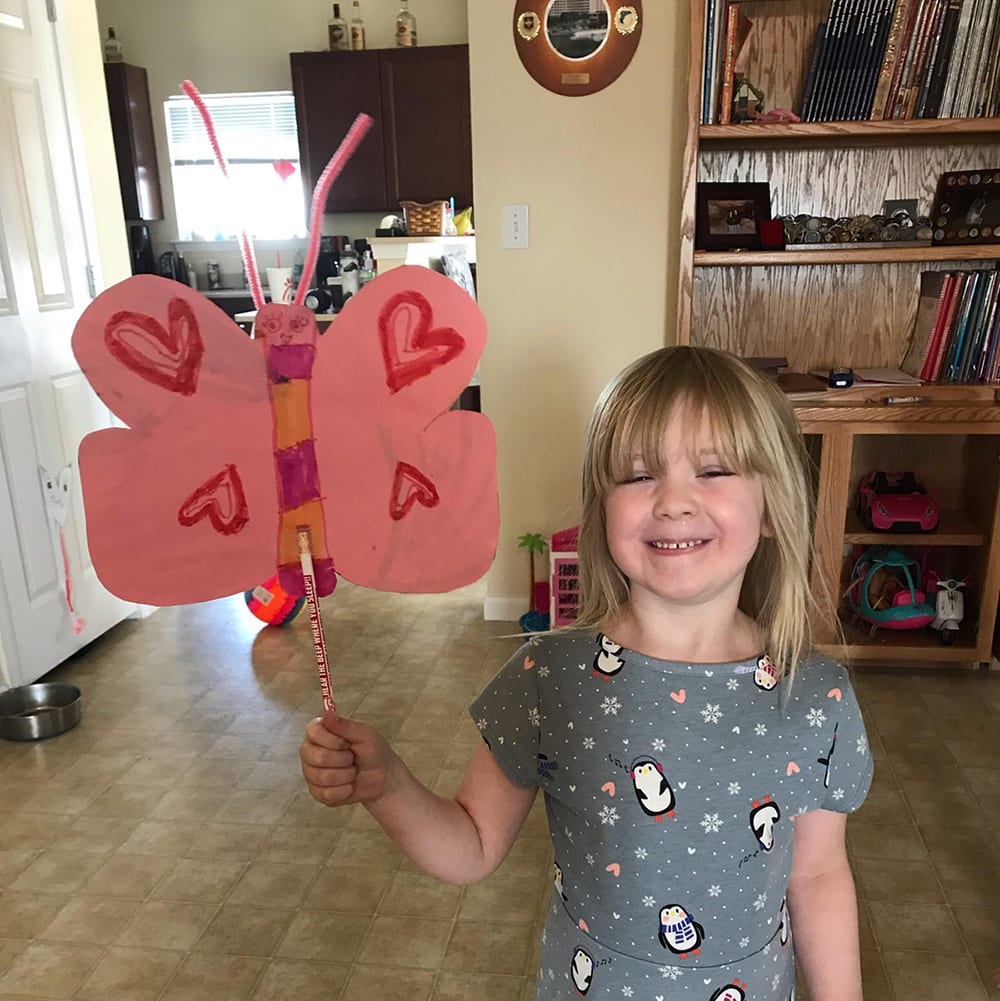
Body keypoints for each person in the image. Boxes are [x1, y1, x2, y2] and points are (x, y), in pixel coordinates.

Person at [300, 345, 873, 1000]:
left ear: (770, 507)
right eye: (637, 475)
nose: (674, 501)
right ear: (602, 511)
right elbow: (473, 843)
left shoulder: (815, 696)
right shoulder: (550, 677)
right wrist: (387, 783)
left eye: (714, 470)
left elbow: (818, 876)